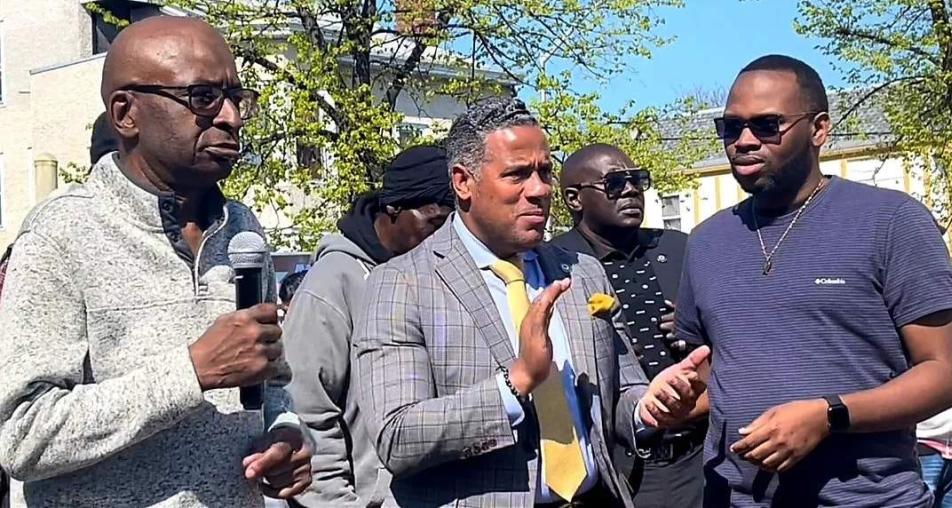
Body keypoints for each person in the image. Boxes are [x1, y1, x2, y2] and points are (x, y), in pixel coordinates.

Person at [0, 17, 312, 507]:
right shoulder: (60, 236)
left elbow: (271, 382)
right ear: (127, 113)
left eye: (236, 97)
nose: (230, 116)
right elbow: (22, 435)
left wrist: (286, 436)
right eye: (204, 97)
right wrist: (189, 373)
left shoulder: (242, 229)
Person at [353, 97, 709, 506]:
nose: (539, 190)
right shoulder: (401, 285)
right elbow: (397, 437)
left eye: (544, 172)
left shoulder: (582, 271)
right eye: (518, 174)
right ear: (463, 183)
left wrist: (649, 405)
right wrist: (516, 382)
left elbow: (619, 388)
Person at [674, 54, 952, 506]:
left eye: (768, 125)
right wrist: (676, 400)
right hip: (732, 498)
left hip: (869, 499)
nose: (744, 141)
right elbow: (715, 377)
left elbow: (947, 372)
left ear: (819, 130)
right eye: (730, 127)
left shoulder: (890, 221)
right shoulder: (707, 242)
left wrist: (829, 415)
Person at [284, 144, 454, 507]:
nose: (444, 238)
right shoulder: (333, 283)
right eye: (435, 223)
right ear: (393, 208)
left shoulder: (442, 275)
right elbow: (309, 409)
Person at [550, 143, 704, 508]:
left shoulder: (682, 248)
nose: (632, 190)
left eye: (638, 180)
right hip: (620, 465)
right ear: (575, 199)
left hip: (697, 454)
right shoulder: (557, 265)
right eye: (616, 183)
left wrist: (697, 326)